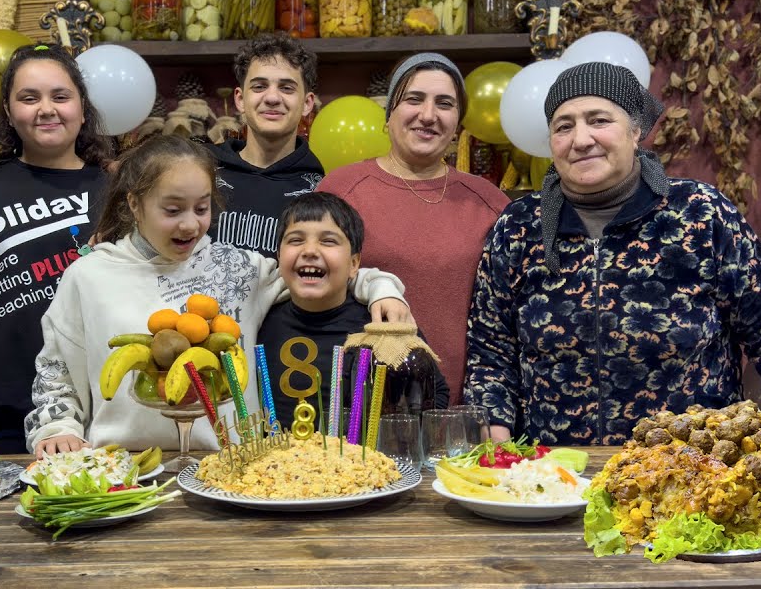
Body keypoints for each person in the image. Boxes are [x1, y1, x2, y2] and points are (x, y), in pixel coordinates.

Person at [464, 61, 761, 446]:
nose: (581, 139)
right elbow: (491, 351)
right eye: (564, 126)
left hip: (691, 472)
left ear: (635, 130)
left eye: (599, 120)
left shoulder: (700, 212)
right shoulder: (520, 226)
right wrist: (495, 443)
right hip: (553, 475)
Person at [24, 135, 412, 457]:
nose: (190, 224)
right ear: (134, 204)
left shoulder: (238, 268)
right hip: (125, 468)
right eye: (172, 209)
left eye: (202, 208)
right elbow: (56, 371)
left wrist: (382, 290)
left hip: (232, 467)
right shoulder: (89, 276)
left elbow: (316, 273)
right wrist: (56, 427)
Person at [317, 53, 509, 403]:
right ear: (389, 115)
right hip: (361, 408)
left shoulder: (490, 203)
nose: (428, 115)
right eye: (414, 99)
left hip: (459, 413)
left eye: (445, 104)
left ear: (457, 123)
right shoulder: (341, 190)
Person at [0, 44, 115, 454]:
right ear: (8, 110)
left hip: (95, 410)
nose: (46, 109)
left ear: (82, 109)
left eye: (60, 96)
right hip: (0, 410)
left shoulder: (118, 191)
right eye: (29, 98)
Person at [258, 192, 448, 428]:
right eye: (295, 240)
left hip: (361, 462)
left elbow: (436, 396)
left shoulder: (383, 325)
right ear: (278, 256)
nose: (309, 250)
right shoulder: (259, 318)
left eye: (328, 241)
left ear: (354, 264)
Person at [208, 33, 323, 259]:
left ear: (307, 103)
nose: (272, 97)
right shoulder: (201, 171)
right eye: (259, 86)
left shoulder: (321, 189)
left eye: (287, 88)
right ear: (240, 99)